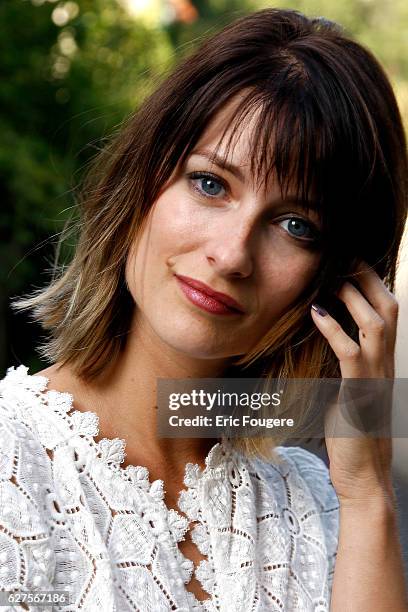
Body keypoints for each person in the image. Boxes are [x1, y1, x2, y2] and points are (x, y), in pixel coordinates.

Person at [1, 7, 407, 611]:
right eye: (211, 184)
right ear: (144, 181)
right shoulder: (13, 462)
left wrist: (368, 490)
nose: (232, 254)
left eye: (295, 225)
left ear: (339, 281)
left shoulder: (320, 503)